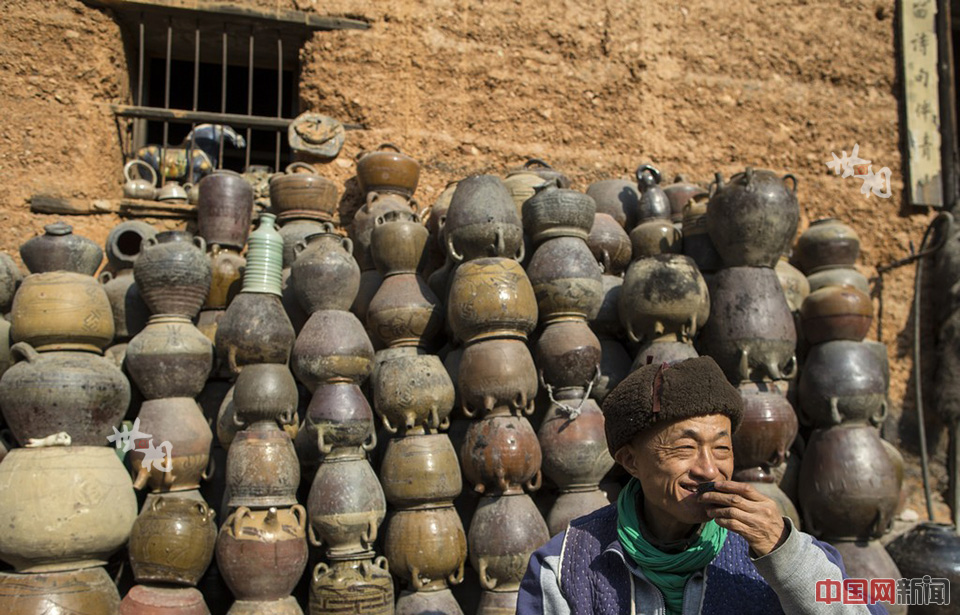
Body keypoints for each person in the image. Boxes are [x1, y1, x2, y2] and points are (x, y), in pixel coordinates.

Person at [518, 356, 887, 615]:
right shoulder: (565, 565)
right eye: (685, 448)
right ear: (631, 461)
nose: (710, 470)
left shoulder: (778, 550)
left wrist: (785, 557)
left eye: (722, 448)